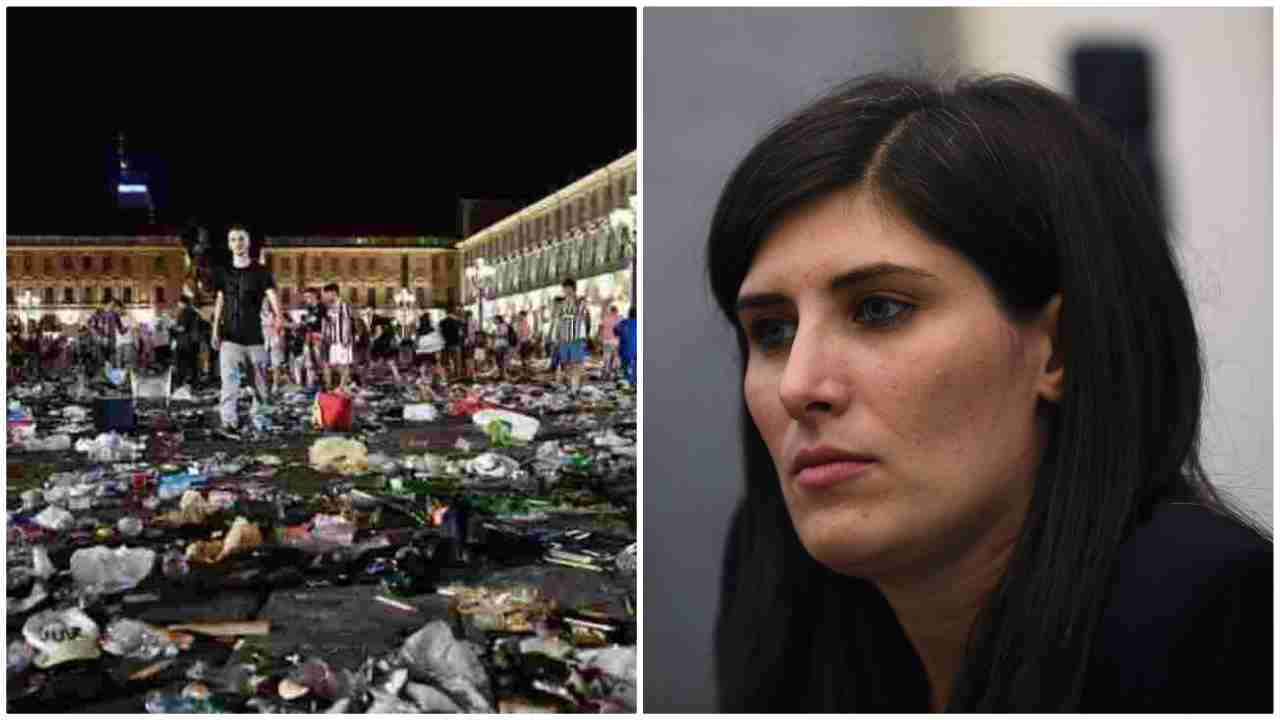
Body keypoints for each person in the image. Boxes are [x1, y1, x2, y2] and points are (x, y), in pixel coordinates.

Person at [707, 74, 1272, 713]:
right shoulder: (782, 598)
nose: (799, 385)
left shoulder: (1210, 615)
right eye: (773, 331)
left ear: (1056, 348)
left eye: (880, 309)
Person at [211, 224, 284, 434]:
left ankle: (259, 417)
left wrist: (279, 318)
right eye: (233, 239)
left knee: (259, 382)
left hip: (255, 338)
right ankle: (229, 420)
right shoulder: (223, 272)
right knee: (229, 382)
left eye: (241, 239)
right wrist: (215, 330)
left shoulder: (260, 271)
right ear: (229, 244)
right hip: (230, 337)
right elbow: (220, 301)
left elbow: (272, 295)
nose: (237, 243)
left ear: (248, 242)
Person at [552, 278, 591, 394]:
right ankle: (568, 385)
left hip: (576, 338)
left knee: (576, 363)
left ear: (574, 288)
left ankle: (574, 388)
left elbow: (582, 318)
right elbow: (557, 319)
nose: (566, 291)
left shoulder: (580, 301)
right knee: (565, 364)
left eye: (568, 289)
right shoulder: (560, 304)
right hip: (564, 338)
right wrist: (557, 337)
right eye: (564, 289)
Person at [321, 283, 354, 389]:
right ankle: (347, 382)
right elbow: (330, 323)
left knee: (344, 363)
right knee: (335, 363)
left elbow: (347, 321)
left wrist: (346, 337)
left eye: (327, 294)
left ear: (333, 292)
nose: (325, 296)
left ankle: (342, 386)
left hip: (343, 339)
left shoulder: (343, 305)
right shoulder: (330, 307)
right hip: (334, 340)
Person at [298, 287, 326, 389]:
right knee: (308, 363)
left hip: (317, 338)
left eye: (308, 296)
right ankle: (310, 385)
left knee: (318, 363)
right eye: (305, 297)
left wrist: (304, 322)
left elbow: (316, 322)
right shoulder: (310, 308)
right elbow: (306, 323)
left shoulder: (321, 307)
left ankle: (319, 386)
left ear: (314, 295)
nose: (306, 299)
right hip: (308, 338)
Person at [172, 295, 201, 391]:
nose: (178, 305)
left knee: (181, 363)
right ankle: (195, 384)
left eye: (179, 303)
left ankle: (180, 384)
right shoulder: (195, 312)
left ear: (182, 303)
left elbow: (182, 328)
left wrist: (173, 327)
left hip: (184, 342)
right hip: (194, 342)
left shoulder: (185, 312)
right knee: (193, 364)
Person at [368, 320, 402, 385]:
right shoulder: (374, 336)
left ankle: (397, 376)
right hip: (377, 354)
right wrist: (375, 337)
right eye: (376, 329)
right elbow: (371, 347)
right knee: (372, 363)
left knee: (391, 362)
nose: (378, 330)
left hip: (386, 353)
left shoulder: (389, 336)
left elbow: (394, 346)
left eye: (379, 329)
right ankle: (368, 374)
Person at [614, 306, 636, 387]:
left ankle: (627, 383)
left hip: (625, 349)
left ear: (629, 314)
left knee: (625, 368)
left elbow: (615, 331)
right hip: (636, 349)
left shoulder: (623, 322)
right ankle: (633, 382)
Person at [440, 308, 464, 381]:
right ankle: (457, 376)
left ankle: (447, 376)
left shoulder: (442, 322)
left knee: (446, 362)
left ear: (446, 313)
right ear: (454, 313)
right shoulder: (458, 321)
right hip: (456, 344)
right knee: (457, 362)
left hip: (446, 344)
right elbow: (461, 333)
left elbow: (440, 333)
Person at [599, 304, 621, 379]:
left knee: (607, 357)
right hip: (615, 341)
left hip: (606, 341)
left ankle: (606, 373)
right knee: (615, 358)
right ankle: (614, 374)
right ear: (616, 311)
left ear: (610, 310)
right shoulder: (619, 318)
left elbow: (601, 328)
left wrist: (600, 338)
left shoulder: (605, 318)